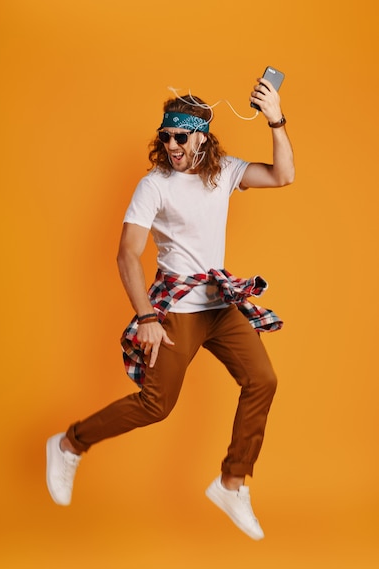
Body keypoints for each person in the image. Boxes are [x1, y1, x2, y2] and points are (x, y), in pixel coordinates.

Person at [46, 77, 295, 540]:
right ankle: (68, 444)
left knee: (263, 379)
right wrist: (146, 318)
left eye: (181, 136)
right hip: (176, 307)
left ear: (201, 135)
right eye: (166, 136)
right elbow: (127, 253)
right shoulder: (154, 185)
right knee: (156, 406)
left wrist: (275, 118)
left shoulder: (224, 173)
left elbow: (283, 175)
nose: (172, 145)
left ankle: (232, 483)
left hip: (218, 303)